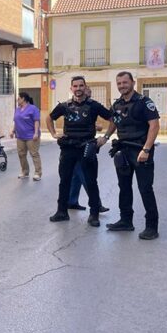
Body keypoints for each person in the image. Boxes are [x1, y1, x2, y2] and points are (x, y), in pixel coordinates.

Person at [46, 76, 112, 227]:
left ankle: (94, 214)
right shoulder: (64, 106)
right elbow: (49, 118)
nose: (78, 89)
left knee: (91, 182)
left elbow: (112, 119)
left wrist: (105, 137)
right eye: (75, 86)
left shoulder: (94, 106)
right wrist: (54, 134)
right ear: (71, 89)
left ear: (85, 87)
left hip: (86, 148)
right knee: (64, 181)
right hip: (68, 148)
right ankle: (62, 211)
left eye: (81, 86)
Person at [104, 71, 161, 240]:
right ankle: (126, 221)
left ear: (133, 83)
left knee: (145, 189)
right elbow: (113, 122)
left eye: (125, 82)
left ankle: (152, 227)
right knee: (124, 188)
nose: (122, 86)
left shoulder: (144, 102)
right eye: (119, 83)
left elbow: (154, 125)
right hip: (124, 151)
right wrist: (105, 137)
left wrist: (146, 149)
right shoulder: (117, 105)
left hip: (141, 151)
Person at [67, 87, 109, 213]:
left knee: (76, 176)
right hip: (76, 147)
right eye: (88, 94)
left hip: (84, 145)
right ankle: (96, 204)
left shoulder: (90, 106)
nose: (89, 96)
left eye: (90, 94)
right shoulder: (71, 105)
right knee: (86, 176)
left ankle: (71, 201)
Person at [11, 92, 42, 181]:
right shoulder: (17, 109)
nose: (17, 100)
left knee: (34, 154)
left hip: (31, 136)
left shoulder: (33, 109)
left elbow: (36, 121)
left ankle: (38, 173)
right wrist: (13, 131)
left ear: (23, 99)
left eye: (19, 99)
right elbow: (16, 121)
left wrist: (36, 133)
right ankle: (25, 171)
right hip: (20, 136)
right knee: (21, 154)